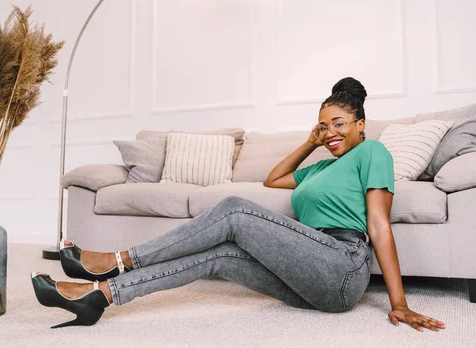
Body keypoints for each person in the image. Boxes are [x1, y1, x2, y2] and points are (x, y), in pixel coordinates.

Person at [31, 77, 446, 332]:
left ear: (360, 125)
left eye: (339, 124)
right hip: (310, 278)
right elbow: (274, 179)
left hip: (343, 265)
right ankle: (102, 295)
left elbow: (378, 226)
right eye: (324, 125)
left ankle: (118, 259)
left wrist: (400, 305)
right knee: (222, 257)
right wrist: (310, 142)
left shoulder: (372, 153)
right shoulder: (318, 169)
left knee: (233, 207)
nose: (331, 132)